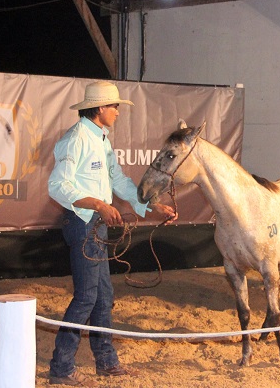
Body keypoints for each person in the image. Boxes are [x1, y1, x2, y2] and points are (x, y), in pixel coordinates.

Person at [47, 80, 177, 386]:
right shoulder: (76, 139)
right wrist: (97, 204)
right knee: (87, 297)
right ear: (100, 108)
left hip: (95, 225)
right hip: (83, 223)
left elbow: (118, 180)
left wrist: (153, 205)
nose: (118, 112)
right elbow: (58, 185)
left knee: (102, 296)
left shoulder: (101, 140)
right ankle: (61, 367)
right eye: (115, 106)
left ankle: (105, 361)